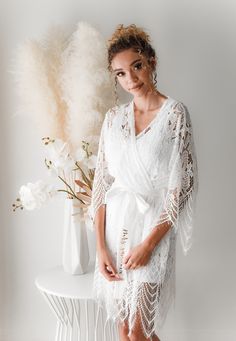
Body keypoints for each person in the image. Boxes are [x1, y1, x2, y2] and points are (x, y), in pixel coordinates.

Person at [77, 24, 198, 341]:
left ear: (152, 62)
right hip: (116, 229)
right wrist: (100, 248)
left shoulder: (174, 114)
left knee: (138, 331)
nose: (130, 79)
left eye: (137, 66)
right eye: (120, 73)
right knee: (123, 331)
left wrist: (148, 245)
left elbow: (181, 188)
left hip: (151, 228)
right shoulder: (113, 118)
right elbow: (101, 185)